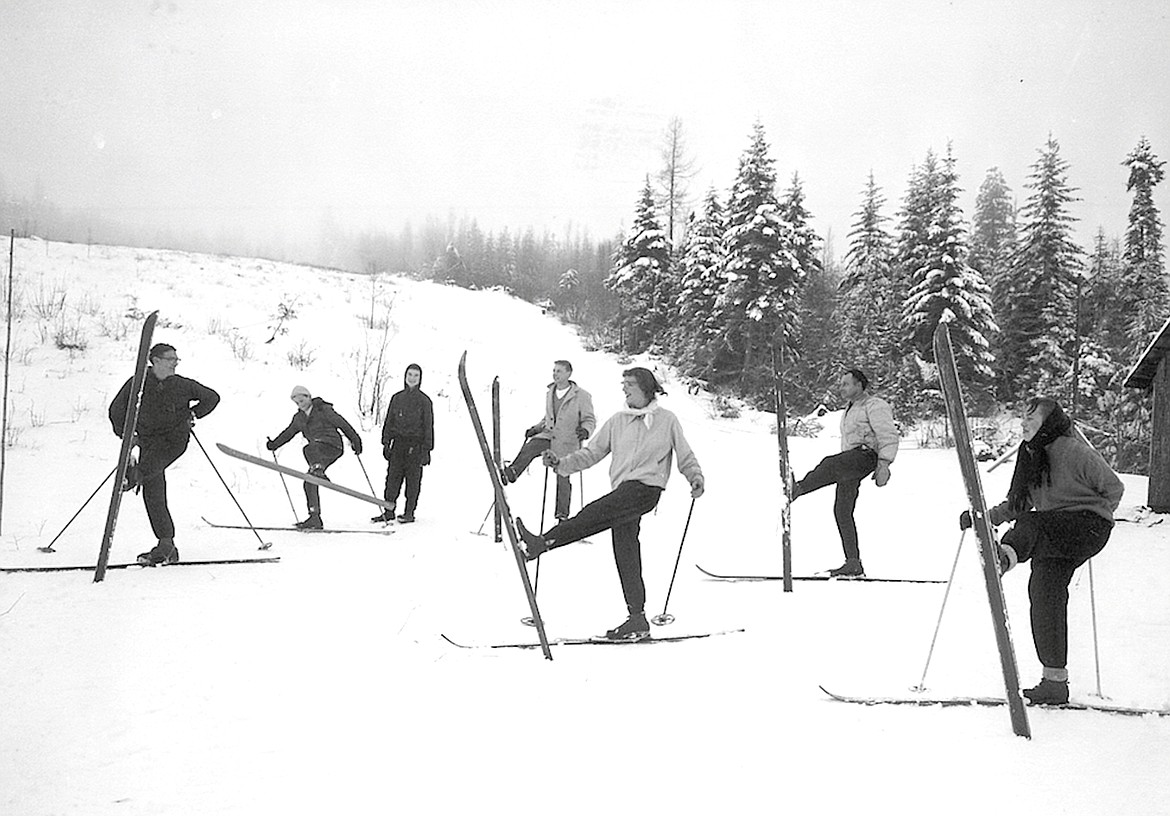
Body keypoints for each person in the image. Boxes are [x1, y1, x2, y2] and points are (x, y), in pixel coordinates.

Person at [514, 367, 704, 641]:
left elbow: (685, 455)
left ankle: (541, 543)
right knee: (626, 551)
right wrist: (561, 463)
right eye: (623, 384)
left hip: (646, 490)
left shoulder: (666, 420)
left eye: (630, 385)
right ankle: (637, 619)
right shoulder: (617, 421)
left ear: (646, 389)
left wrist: (695, 477)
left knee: (592, 514)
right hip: (624, 492)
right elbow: (592, 453)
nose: (625, 389)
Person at [959, 397, 1123, 705]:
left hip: (1086, 527)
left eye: (1031, 419)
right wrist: (982, 517)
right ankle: (1054, 683)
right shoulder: (1031, 455)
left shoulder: (1074, 451)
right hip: (1051, 534)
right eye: (1023, 418)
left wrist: (1092, 511)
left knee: (1033, 524)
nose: (1023, 423)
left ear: (1048, 423)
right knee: (1044, 593)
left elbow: (1114, 488)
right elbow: (1018, 504)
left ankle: (1003, 557)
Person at [108, 343, 220, 566]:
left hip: (173, 440)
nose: (175, 363)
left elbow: (212, 397)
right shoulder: (137, 383)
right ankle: (166, 544)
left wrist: (193, 414)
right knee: (153, 491)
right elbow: (116, 410)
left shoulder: (182, 385)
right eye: (170, 359)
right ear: (156, 360)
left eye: (177, 359)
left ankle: (133, 476)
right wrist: (126, 435)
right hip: (148, 442)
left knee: (147, 472)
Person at [790, 368, 899, 578]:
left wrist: (885, 463)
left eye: (846, 384)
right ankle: (853, 563)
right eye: (841, 384)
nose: (841, 388)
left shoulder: (874, 405)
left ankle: (799, 489)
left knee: (829, 463)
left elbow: (888, 434)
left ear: (859, 385)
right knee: (842, 510)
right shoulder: (850, 409)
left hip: (865, 456)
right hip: (851, 461)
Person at [500, 359, 595, 521]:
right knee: (532, 446)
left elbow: (589, 419)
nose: (555, 374)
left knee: (562, 475)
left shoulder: (582, 396)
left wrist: (585, 431)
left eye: (559, 371)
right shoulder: (550, 392)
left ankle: (562, 514)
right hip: (549, 436)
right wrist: (536, 428)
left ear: (568, 374)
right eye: (554, 371)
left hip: (567, 440)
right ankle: (513, 472)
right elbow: (548, 417)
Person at [266, 386, 363, 530]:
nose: (301, 403)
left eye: (302, 399)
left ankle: (318, 470)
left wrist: (355, 440)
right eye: (297, 402)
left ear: (309, 397)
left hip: (332, 446)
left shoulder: (323, 410)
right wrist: (274, 444)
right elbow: (288, 433)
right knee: (308, 482)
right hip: (317, 453)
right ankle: (314, 518)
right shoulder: (299, 418)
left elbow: (342, 424)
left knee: (309, 448)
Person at [371, 363, 434, 524]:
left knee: (412, 482)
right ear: (405, 377)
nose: (412, 378)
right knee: (392, 479)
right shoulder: (397, 398)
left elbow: (428, 426)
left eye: (416, 375)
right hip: (398, 444)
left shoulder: (425, 401)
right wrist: (385, 442)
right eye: (410, 375)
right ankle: (389, 510)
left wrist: (427, 449)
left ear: (420, 379)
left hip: (416, 446)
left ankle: (409, 512)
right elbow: (389, 421)